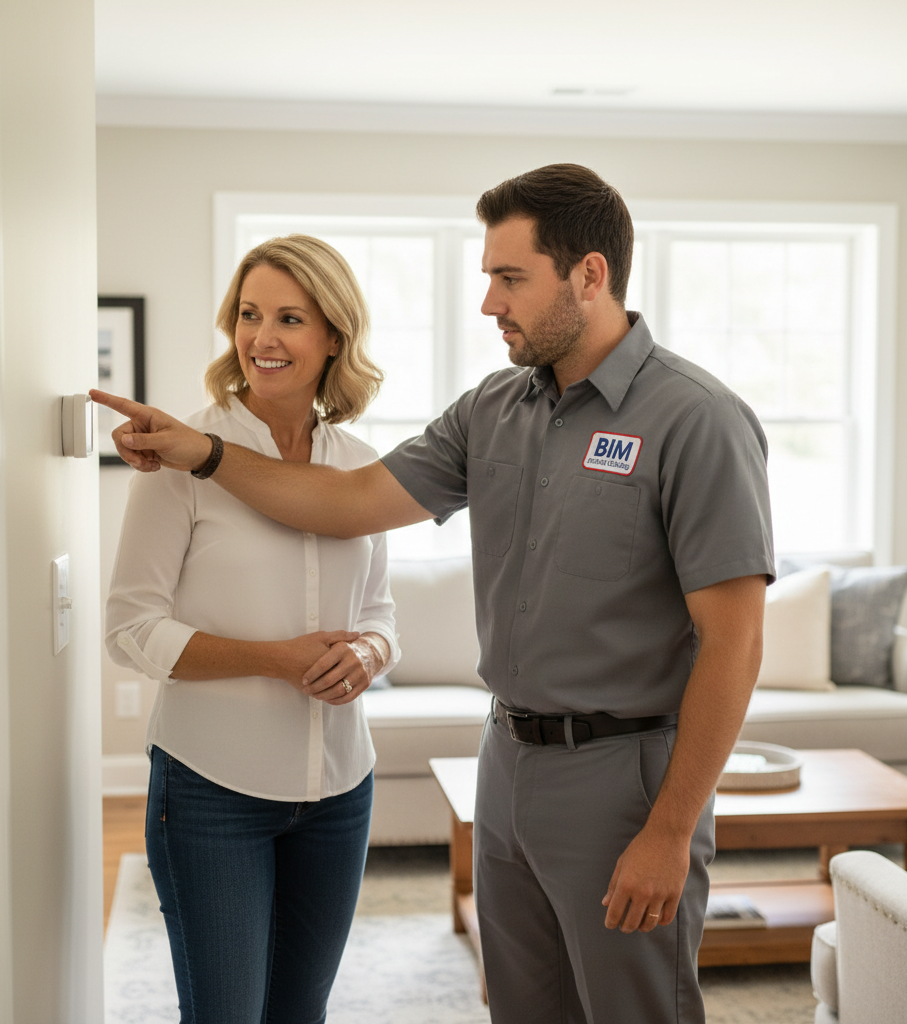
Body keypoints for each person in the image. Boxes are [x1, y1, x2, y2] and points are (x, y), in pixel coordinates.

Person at [95, 164, 774, 1024]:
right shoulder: (493, 408)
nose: (489, 302)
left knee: (634, 1009)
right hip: (508, 766)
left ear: (590, 275)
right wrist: (210, 454)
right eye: (488, 277)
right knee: (522, 1005)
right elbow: (349, 504)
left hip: (624, 775)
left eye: (510, 278)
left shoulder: (697, 419)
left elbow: (735, 643)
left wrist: (672, 829)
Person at [104, 234, 399, 1024]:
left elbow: (380, 614)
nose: (262, 338)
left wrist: (369, 652)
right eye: (249, 315)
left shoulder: (361, 463)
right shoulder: (178, 457)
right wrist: (277, 660)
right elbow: (130, 628)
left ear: (333, 334)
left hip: (341, 789)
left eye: (291, 318)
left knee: (301, 1013)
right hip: (210, 792)